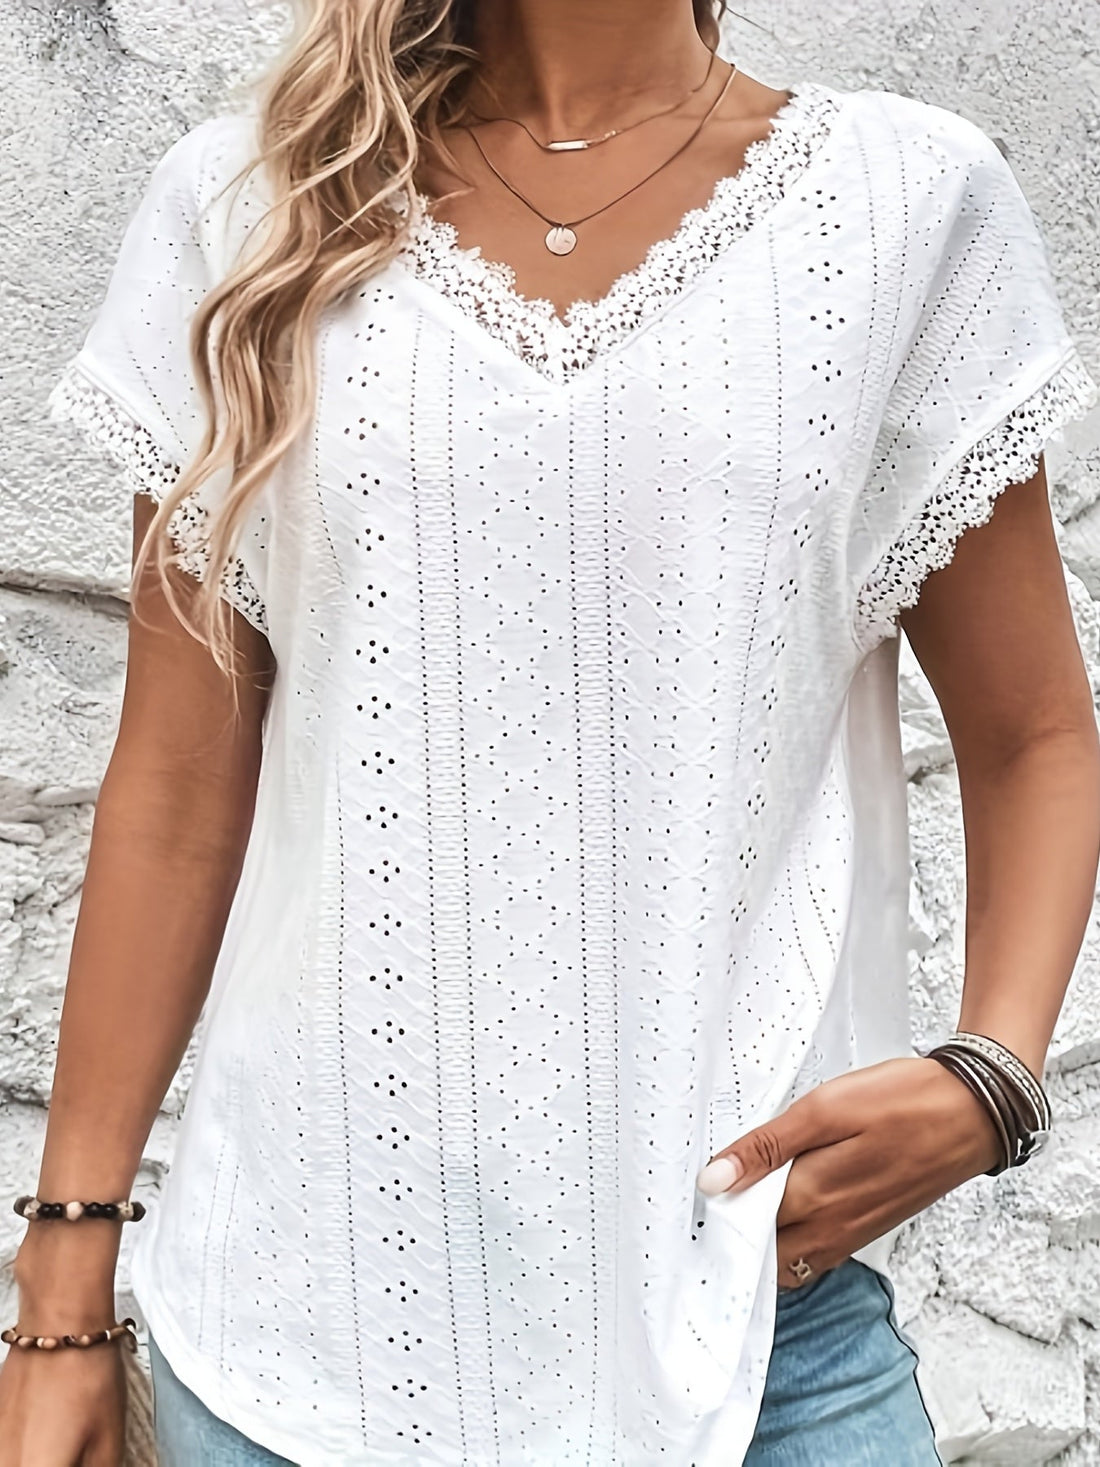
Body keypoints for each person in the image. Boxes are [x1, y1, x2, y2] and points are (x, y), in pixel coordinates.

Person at [2, 0, 1098, 1463]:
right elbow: (175, 786)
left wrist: (996, 1074)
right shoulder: (252, 210)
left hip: (761, 1323)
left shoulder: (901, 204)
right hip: (300, 1337)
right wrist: (63, 1286)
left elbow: (1031, 730)